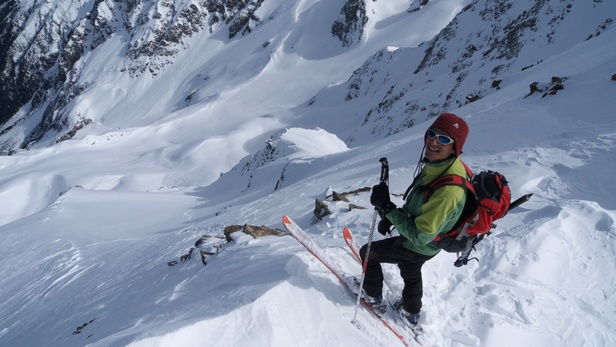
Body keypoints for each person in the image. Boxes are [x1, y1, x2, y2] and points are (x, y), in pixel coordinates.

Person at [361, 112, 470, 327]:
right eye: (432, 133)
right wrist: (391, 216)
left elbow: (420, 236)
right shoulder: (439, 166)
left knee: (368, 253)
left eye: (444, 139)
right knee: (410, 269)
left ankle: (373, 299)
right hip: (432, 244)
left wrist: (388, 208)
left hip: (421, 244)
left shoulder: (448, 190)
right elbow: (419, 206)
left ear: (455, 148)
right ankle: (410, 312)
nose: (433, 141)